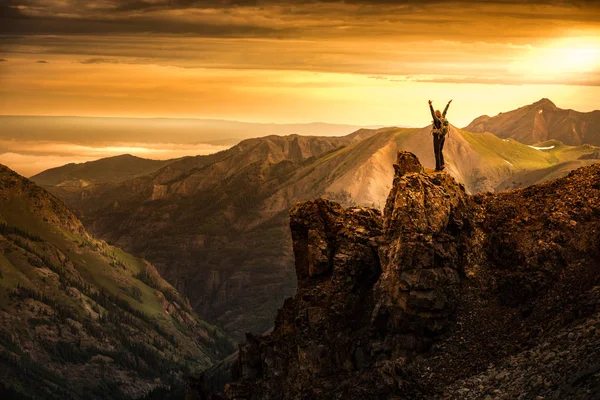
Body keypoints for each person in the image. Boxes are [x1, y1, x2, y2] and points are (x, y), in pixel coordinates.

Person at [429, 99, 452, 171]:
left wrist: (430, 105)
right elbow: (445, 111)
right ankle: (442, 164)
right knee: (440, 151)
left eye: (435, 114)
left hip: (437, 138)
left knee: (436, 152)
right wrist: (448, 104)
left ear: (436, 115)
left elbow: (432, 113)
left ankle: (438, 168)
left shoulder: (437, 121)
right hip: (442, 138)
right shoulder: (442, 118)